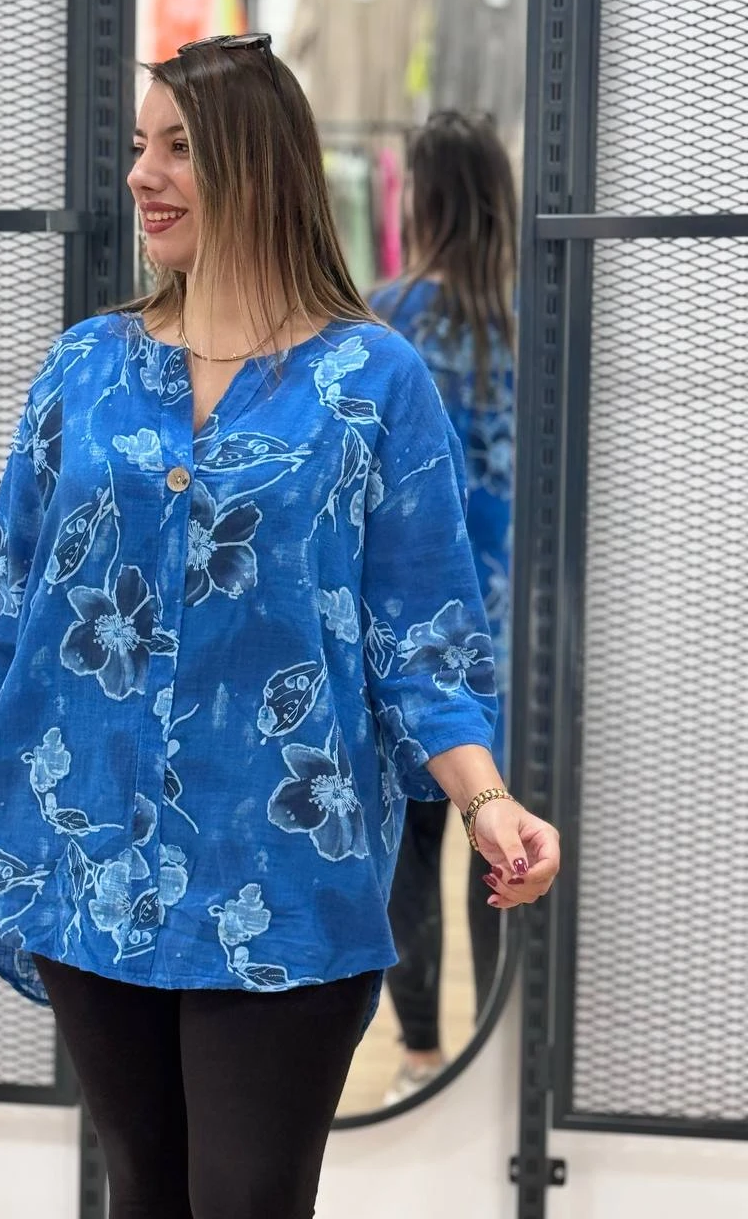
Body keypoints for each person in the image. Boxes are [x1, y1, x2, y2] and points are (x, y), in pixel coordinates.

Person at [0, 38, 558, 1219]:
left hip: (285, 866)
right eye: (141, 146)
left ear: (261, 165)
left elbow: (424, 639)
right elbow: (5, 608)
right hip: (95, 859)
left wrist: (487, 801)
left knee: (248, 1195)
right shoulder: (86, 366)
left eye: (178, 147)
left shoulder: (373, 379)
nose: (143, 173)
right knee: (143, 1188)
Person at [369, 110, 518, 1105]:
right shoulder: (531, 322)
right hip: (518, 633)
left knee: (409, 852)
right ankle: (497, 1064)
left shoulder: (385, 318)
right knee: (503, 842)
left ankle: (421, 1054)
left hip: (414, 633)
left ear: (417, 199)